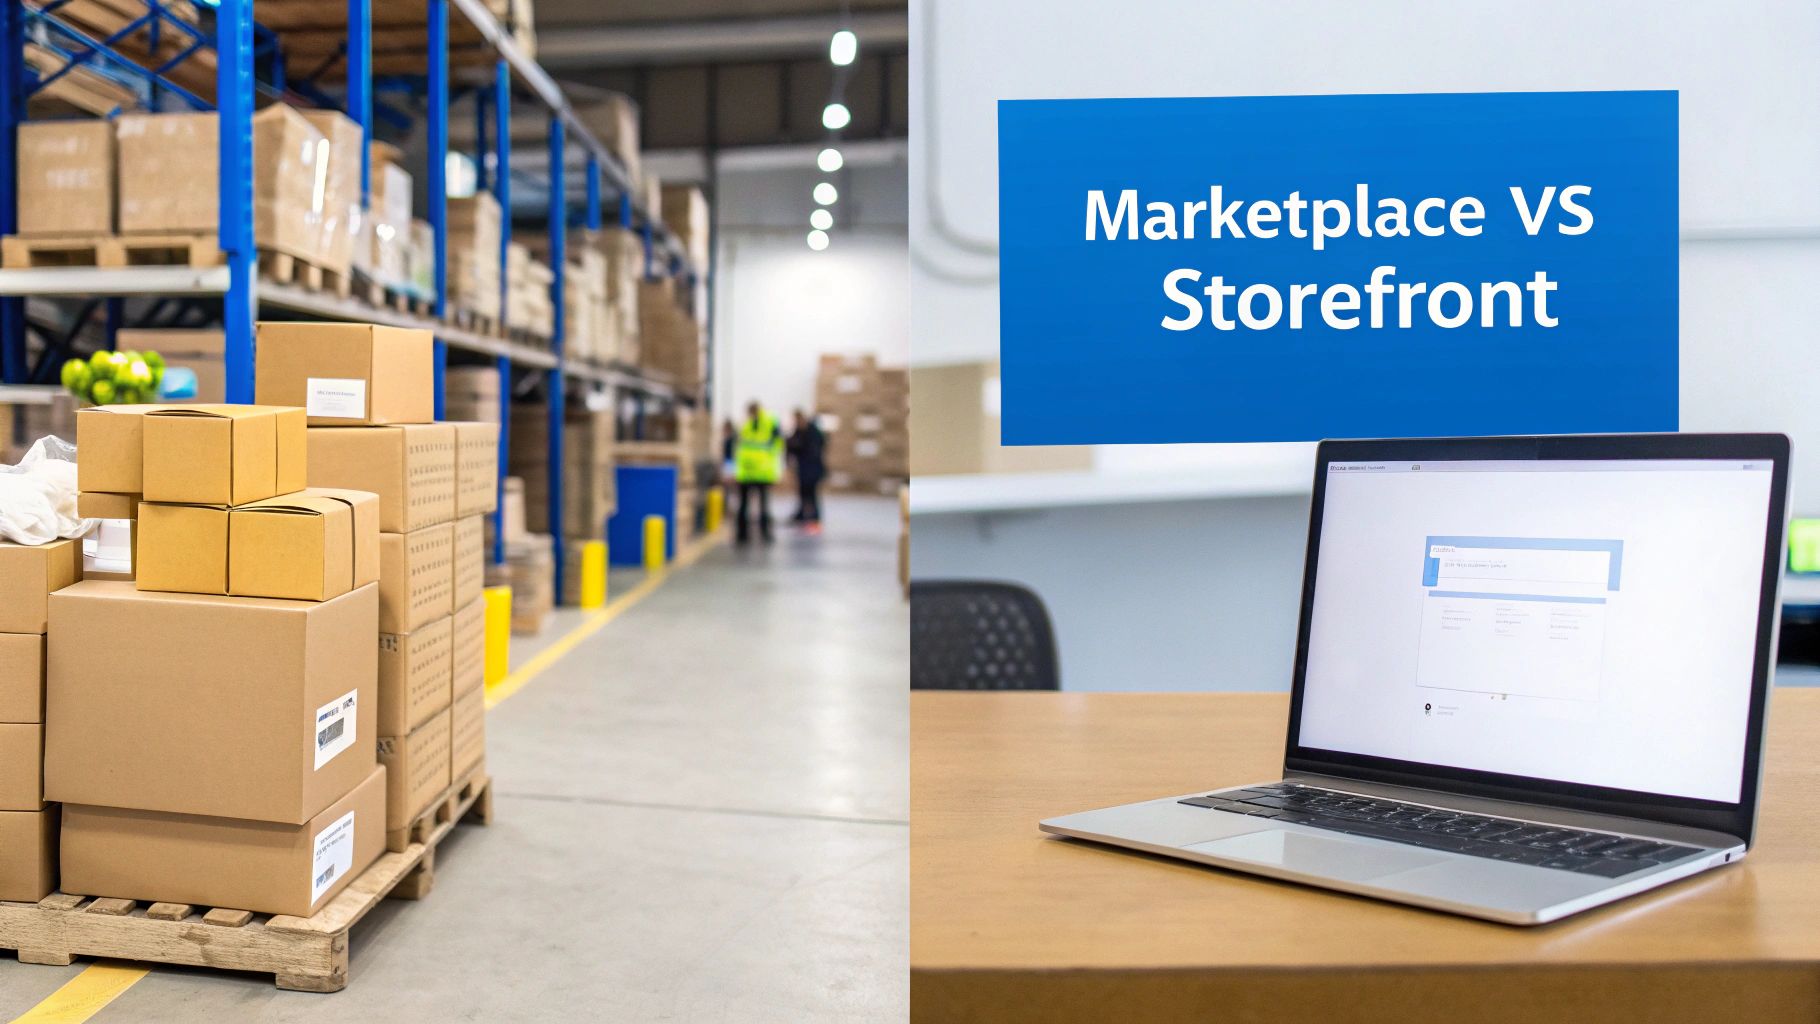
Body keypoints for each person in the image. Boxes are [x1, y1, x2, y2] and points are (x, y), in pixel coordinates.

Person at [733, 401, 784, 545]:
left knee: (760, 505)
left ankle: (760, 534)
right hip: (751, 471)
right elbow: (738, 448)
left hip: (759, 472)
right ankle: (744, 535)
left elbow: (778, 443)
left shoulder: (768, 423)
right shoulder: (746, 425)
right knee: (748, 504)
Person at [786, 408, 827, 529]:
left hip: (813, 468)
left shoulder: (812, 431)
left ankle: (815, 517)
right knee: (803, 493)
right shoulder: (798, 431)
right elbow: (791, 445)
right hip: (803, 468)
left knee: (812, 494)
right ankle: (802, 514)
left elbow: (815, 447)